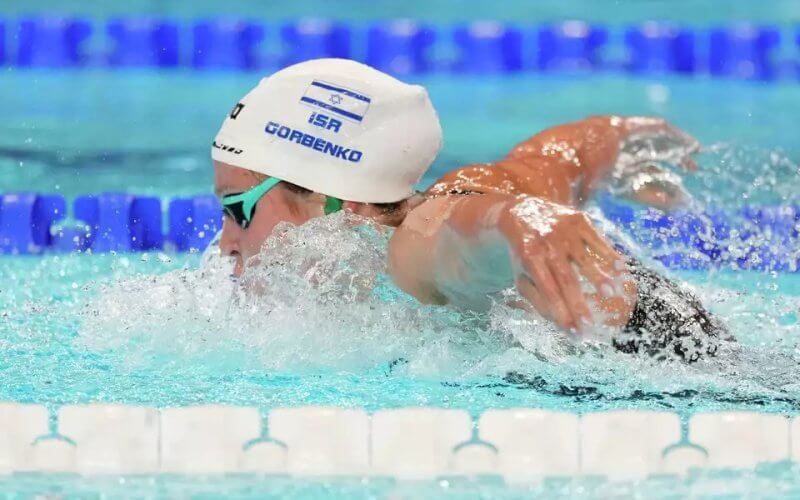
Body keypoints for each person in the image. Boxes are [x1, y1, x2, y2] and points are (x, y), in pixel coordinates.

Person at [212, 58, 729, 363]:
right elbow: (557, 156)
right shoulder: (461, 188)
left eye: (238, 209)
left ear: (336, 203)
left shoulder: (409, 245)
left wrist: (515, 221)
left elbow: (458, 240)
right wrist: (617, 141)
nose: (225, 242)